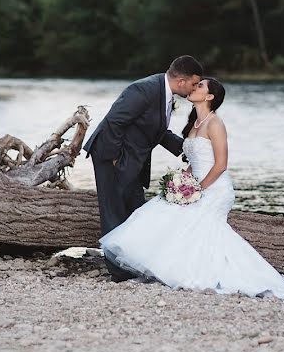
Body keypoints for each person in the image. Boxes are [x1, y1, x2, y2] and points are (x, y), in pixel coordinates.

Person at [99, 78, 284, 298]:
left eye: (200, 86)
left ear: (210, 96)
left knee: (192, 222)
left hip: (215, 189)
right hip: (195, 185)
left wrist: (198, 188)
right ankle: (156, 266)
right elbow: (193, 161)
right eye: (196, 84)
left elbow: (221, 164)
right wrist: (181, 182)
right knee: (159, 209)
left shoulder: (215, 123)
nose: (194, 88)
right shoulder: (194, 122)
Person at [83, 55, 203, 281]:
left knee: (137, 210)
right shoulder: (143, 90)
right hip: (111, 156)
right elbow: (115, 120)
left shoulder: (164, 93)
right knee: (113, 211)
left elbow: (157, 131)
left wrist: (187, 149)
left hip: (132, 160)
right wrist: (114, 159)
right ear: (181, 81)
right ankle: (118, 272)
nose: (195, 88)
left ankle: (135, 262)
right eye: (194, 84)